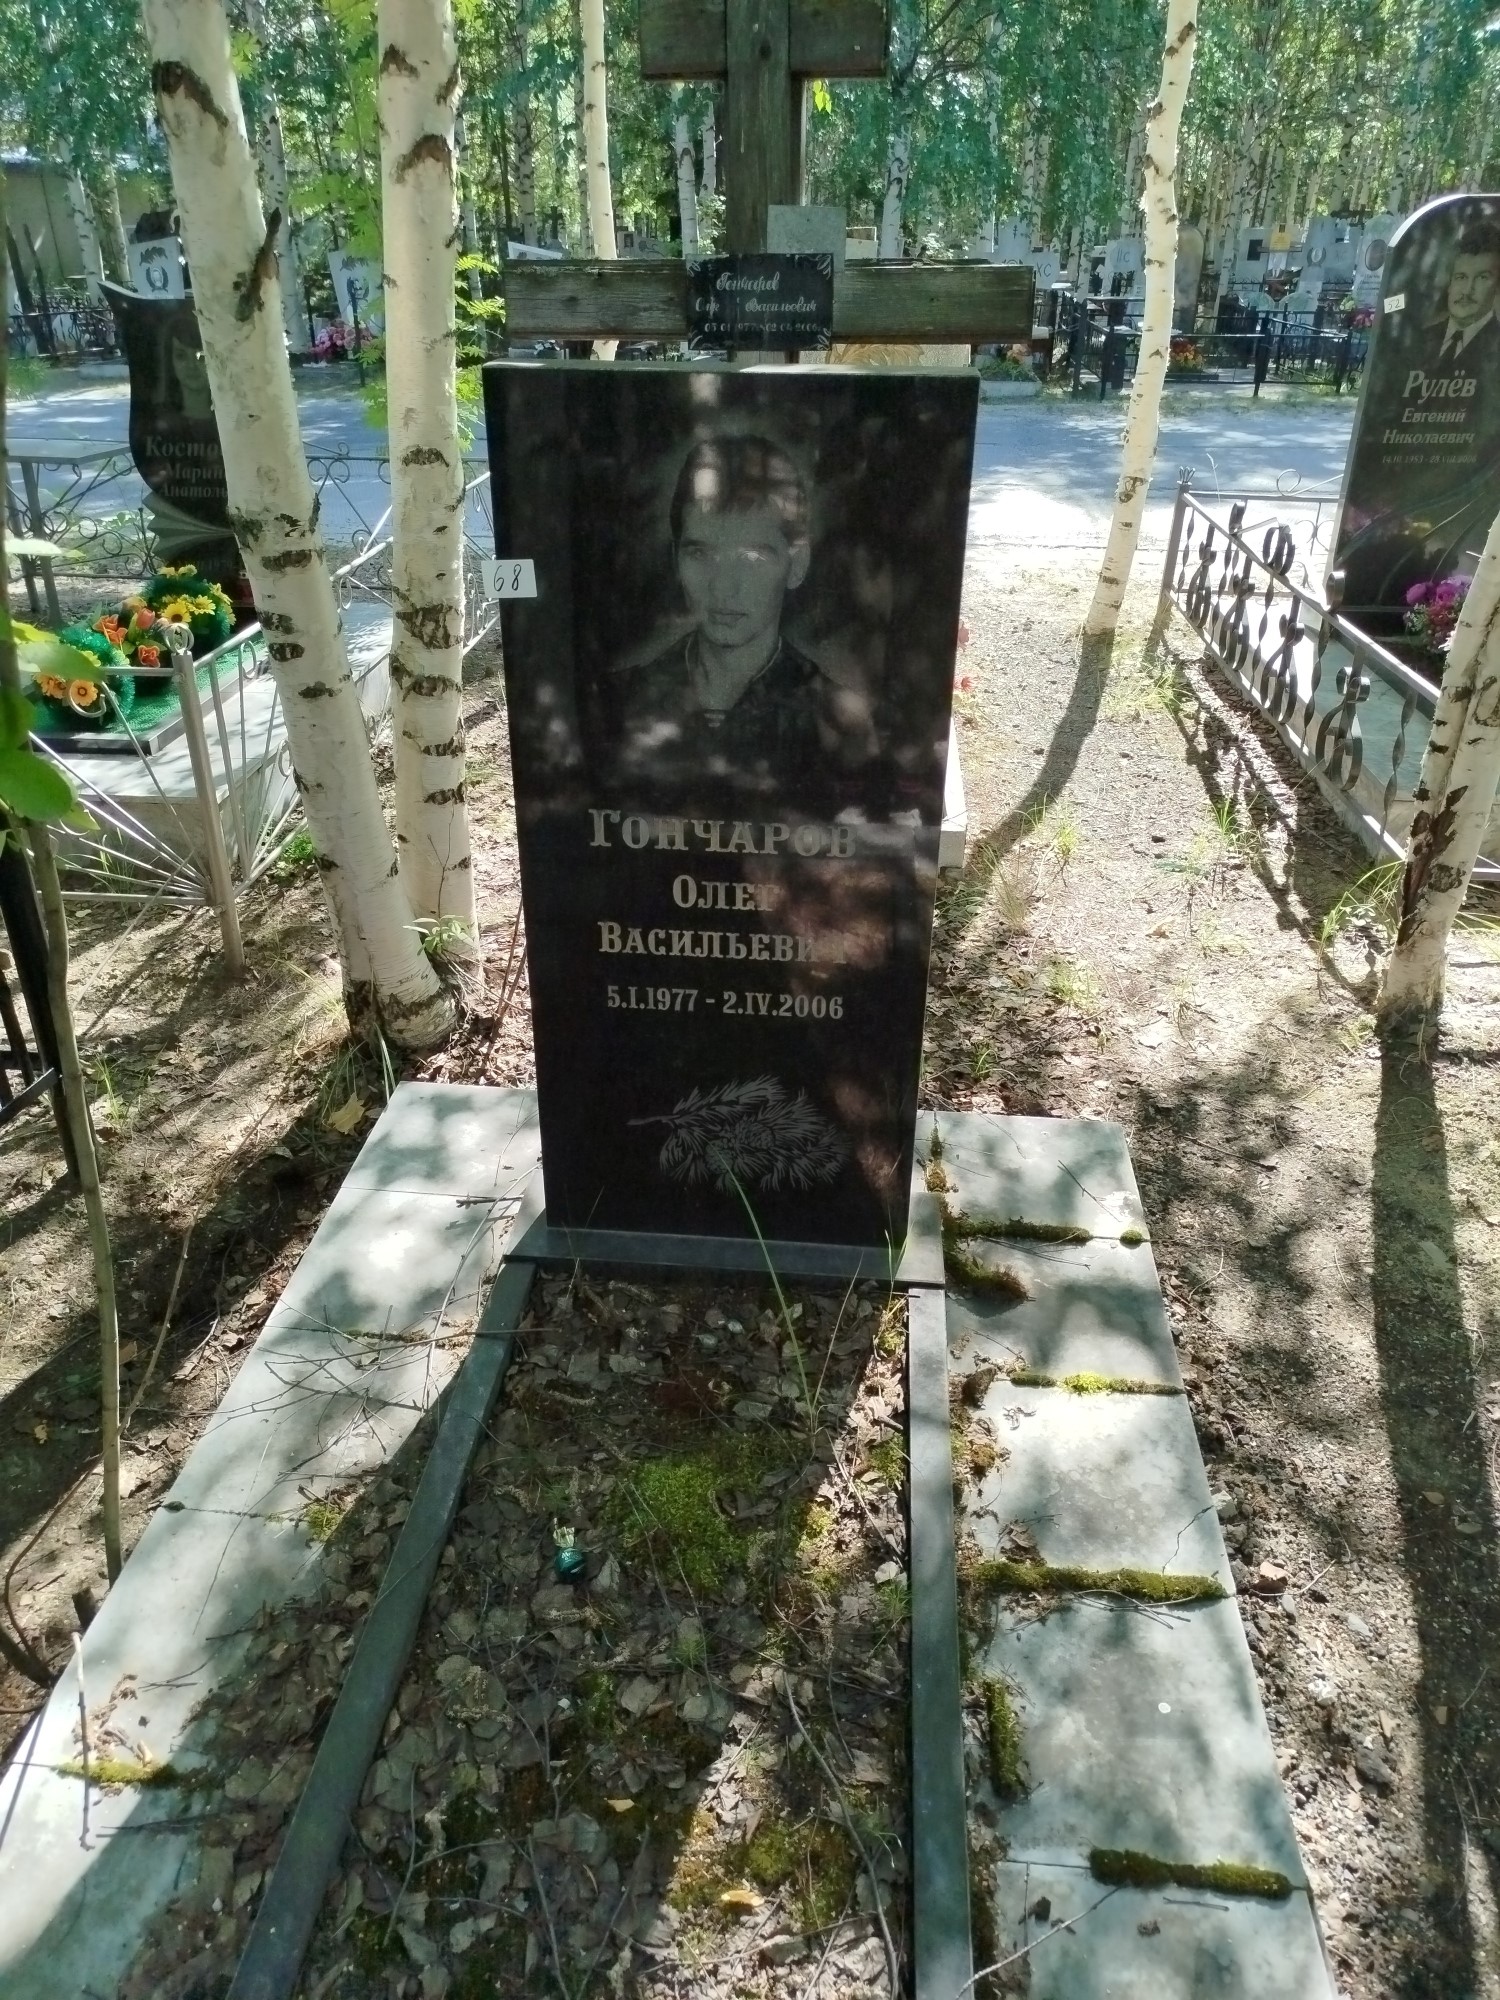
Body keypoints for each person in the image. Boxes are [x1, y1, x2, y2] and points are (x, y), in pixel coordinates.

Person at [600, 434, 867, 798]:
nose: (723, 588)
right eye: (700, 554)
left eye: (752, 557)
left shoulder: (836, 719)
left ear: (797, 563)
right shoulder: (619, 702)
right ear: (677, 559)